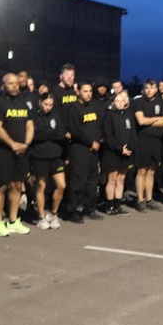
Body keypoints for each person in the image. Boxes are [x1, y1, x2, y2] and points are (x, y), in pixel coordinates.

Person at [0, 73, 34, 236]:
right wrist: (13, 144)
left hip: (22, 151)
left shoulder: (23, 103)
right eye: (10, 83)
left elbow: (29, 125)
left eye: (16, 83)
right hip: (3, 151)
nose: (14, 86)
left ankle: (13, 221)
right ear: (3, 86)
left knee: (16, 185)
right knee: (2, 187)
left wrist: (26, 144)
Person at [63, 81, 104, 222]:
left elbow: (98, 127)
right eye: (85, 91)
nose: (88, 94)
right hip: (80, 149)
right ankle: (72, 210)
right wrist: (90, 142)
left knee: (92, 181)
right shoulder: (73, 108)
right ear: (78, 91)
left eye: (90, 91)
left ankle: (89, 207)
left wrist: (98, 141)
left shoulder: (93, 106)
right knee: (77, 181)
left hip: (94, 151)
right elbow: (75, 130)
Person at [29, 92, 67, 229]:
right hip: (39, 156)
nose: (48, 107)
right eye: (46, 104)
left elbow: (61, 133)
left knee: (61, 186)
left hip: (55, 156)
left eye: (50, 105)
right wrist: (50, 133)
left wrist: (47, 133)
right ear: (40, 102)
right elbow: (34, 135)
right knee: (41, 186)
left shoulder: (56, 115)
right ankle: (41, 217)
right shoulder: (33, 115)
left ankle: (53, 213)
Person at [131, 79, 163, 211]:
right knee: (141, 171)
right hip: (142, 142)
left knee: (151, 171)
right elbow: (141, 121)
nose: (149, 90)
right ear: (143, 89)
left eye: (151, 88)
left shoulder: (160, 103)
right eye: (147, 88)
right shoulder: (138, 102)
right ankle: (140, 200)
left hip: (156, 142)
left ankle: (149, 199)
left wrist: (149, 120)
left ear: (156, 89)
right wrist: (156, 119)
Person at [102, 90, 136, 215]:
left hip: (126, 154)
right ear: (113, 102)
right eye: (117, 101)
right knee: (112, 179)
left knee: (121, 179)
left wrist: (130, 148)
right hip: (112, 153)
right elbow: (108, 136)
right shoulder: (108, 116)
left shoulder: (128, 115)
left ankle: (117, 206)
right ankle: (110, 206)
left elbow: (133, 135)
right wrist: (120, 149)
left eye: (122, 100)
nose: (120, 103)